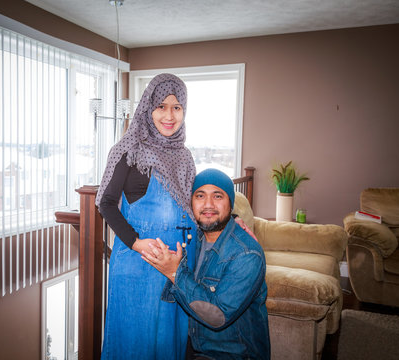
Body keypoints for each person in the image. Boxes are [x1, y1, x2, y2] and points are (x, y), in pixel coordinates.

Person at [96, 73, 197, 359]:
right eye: (161, 106)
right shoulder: (128, 151)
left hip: (175, 270)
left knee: (169, 344)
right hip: (138, 266)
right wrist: (137, 242)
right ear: (147, 108)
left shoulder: (184, 156)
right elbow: (106, 203)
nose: (169, 115)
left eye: (177, 107)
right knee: (134, 346)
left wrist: (232, 219)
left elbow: (193, 204)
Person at [142, 168, 270, 360]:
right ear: (191, 202)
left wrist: (175, 273)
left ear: (230, 204)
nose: (208, 205)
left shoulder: (247, 254)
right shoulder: (194, 238)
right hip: (191, 346)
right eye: (200, 196)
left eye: (218, 196)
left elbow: (217, 316)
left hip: (232, 354)